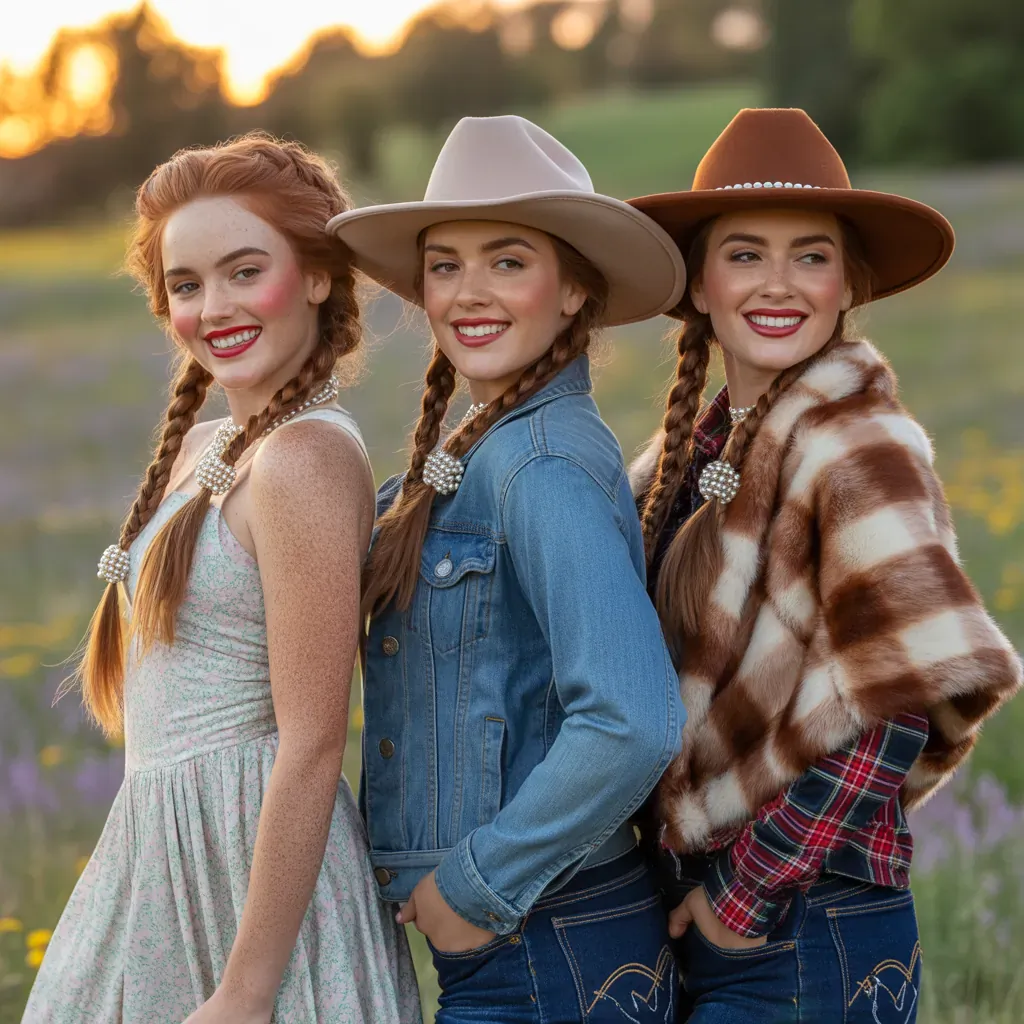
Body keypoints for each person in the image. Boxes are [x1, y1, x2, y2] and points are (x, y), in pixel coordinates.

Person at [626, 107, 1023, 1023]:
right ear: (698, 284)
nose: (779, 283)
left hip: (809, 918)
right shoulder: (690, 454)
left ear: (848, 283)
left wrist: (742, 899)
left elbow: (896, 706)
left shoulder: (858, 441)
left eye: (811, 255)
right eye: (745, 254)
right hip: (719, 908)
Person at [25, 135, 421, 1024]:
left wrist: (247, 990)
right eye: (187, 284)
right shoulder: (214, 448)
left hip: (251, 882)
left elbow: (313, 742)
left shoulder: (305, 461)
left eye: (247, 271)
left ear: (316, 275)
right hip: (166, 854)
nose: (215, 308)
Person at [328, 115, 688, 1023]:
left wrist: (473, 888)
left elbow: (632, 719)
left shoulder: (542, 464)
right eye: (445, 265)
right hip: (536, 939)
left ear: (573, 289)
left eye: (508, 261)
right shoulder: (479, 446)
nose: (468, 292)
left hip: (551, 934)